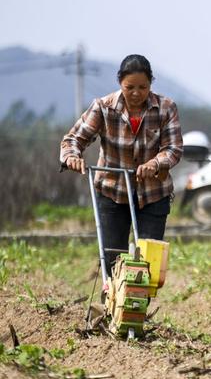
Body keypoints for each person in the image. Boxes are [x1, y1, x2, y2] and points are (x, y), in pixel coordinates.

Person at [60, 54, 183, 276]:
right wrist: (72, 156)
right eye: (130, 87)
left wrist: (155, 163)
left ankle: (138, 306)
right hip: (112, 192)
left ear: (150, 84)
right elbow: (73, 139)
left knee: (149, 263)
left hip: (153, 194)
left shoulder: (166, 108)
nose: (136, 93)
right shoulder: (103, 107)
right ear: (120, 83)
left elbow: (173, 149)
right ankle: (110, 303)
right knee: (111, 258)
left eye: (143, 87)